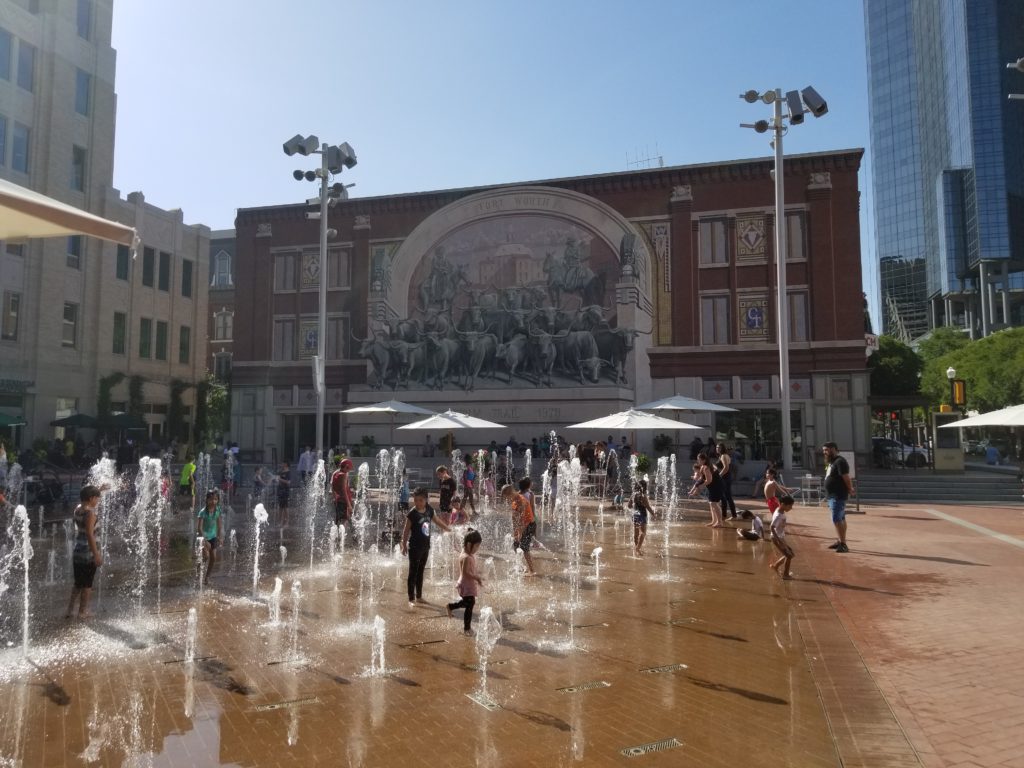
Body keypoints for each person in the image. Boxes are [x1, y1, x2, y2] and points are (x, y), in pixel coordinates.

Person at [401, 487, 452, 605]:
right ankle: (411, 598)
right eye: (415, 500)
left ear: (426, 500)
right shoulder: (412, 514)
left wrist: (447, 529)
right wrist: (403, 544)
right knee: (413, 572)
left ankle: (419, 596)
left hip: (425, 546)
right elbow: (406, 530)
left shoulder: (429, 510)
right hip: (414, 547)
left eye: (420, 500)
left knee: (421, 572)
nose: (417, 503)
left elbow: (437, 521)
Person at [66, 485, 103, 620]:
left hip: (78, 551)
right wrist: (96, 554)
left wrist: (99, 489)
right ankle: (82, 612)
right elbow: (89, 534)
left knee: (78, 583)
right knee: (87, 584)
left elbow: (86, 496)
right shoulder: (90, 514)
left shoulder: (78, 509)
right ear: (91, 498)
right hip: (88, 553)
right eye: (97, 498)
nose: (98, 500)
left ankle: (70, 610)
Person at [447, 529, 484, 636]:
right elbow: (466, 572)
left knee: (468, 603)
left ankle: (451, 607)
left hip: (467, 583)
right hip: (467, 584)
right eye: (476, 546)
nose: (477, 549)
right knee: (470, 604)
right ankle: (466, 628)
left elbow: (470, 569)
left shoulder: (465, 553)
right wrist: (476, 578)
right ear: (468, 544)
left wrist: (477, 572)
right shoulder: (466, 557)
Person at [822, 442, 853, 553]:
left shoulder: (840, 461)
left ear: (833, 449)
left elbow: (846, 477)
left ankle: (843, 544)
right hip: (832, 495)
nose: (824, 452)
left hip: (838, 495)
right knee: (841, 518)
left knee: (837, 519)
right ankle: (840, 540)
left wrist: (850, 488)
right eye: (824, 450)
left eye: (826, 450)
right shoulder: (832, 462)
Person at [502, 483, 538, 575]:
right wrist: (515, 532)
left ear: (510, 493)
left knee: (525, 548)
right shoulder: (514, 500)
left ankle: (532, 571)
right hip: (523, 525)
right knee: (516, 545)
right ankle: (521, 566)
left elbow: (522, 521)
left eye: (506, 497)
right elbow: (514, 518)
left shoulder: (521, 501)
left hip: (529, 525)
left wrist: (520, 533)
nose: (506, 499)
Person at [689, 452, 725, 528]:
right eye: (697, 460)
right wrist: (696, 485)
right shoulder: (704, 466)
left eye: (699, 460)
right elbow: (701, 478)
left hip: (716, 486)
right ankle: (714, 521)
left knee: (714, 504)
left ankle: (719, 522)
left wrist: (701, 486)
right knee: (712, 504)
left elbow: (709, 480)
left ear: (704, 460)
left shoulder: (706, 467)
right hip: (713, 486)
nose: (698, 461)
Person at [196, 490, 222, 581]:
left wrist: (220, 536)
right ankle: (198, 572)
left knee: (213, 557)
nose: (213, 501)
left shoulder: (218, 510)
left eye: (215, 499)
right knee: (206, 556)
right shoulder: (202, 512)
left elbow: (219, 524)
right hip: (203, 537)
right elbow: (199, 528)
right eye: (211, 499)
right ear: (206, 500)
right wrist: (205, 540)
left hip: (213, 536)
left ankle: (207, 577)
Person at [769, 494, 796, 578]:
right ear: (783, 504)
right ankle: (785, 574)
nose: (791, 508)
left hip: (780, 537)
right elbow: (772, 527)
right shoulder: (778, 516)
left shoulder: (780, 510)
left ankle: (776, 566)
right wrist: (779, 540)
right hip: (777, 538)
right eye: (790, 506)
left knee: (790, 553)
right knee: (789, 555)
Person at [631, 479, 655, 556]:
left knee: (636, 533)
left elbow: (628, 505)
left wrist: (635, 505)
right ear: (644, 487)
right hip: (642, 514)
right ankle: (638, 548)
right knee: (643, 532)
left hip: (635, 514)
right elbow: (647, 506)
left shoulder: (633, 494)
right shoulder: (643, 496)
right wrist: (653, 514)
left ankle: (637, 549)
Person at [330, 457, 354, 528]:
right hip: (344, 501)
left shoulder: (335, 473)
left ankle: (338, 536)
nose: (349, 470)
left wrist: (335, 498)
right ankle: (342, 537)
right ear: (346, 467)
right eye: (349, 468)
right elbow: (344, 490)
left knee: (339, 520)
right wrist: (349, 505)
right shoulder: (343, 475)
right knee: (344, 521)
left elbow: (333, 487)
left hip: (338, 500)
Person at [716, 443, 738, 520]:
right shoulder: (724, 455)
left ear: (723, 448)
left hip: (725, 478)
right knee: (726, 497)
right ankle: (728, 515)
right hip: (726, 478)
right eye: (717, 447)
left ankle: (727, 515)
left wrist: (719, 476)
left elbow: (726, 468)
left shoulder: (723, 456)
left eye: (719, 447)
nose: (717, 448)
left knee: (725, 497)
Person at [276, 461, 292, 527]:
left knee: (285, 507)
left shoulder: (288, 473)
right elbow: (278, 480)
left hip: (285, 491)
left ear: (286, 464)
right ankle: (280, 522)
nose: (282, 464)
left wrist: (280, 479)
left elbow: (288, 482)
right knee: (280, 507)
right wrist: (277, 480)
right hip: (280, 491)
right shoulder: (281, 472)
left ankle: (287, 523)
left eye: (283, 463)